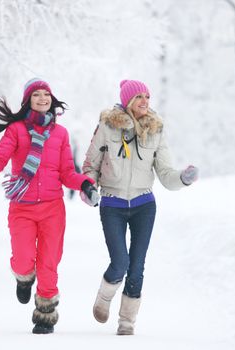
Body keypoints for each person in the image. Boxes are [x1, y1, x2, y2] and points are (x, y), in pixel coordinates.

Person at [0, 78, 97, 334]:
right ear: (28, 100)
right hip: (22, 207)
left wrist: (84, 184)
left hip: (52, 208)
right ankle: (24, 278)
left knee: (49, 262)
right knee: (23, 260)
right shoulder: (16, 129)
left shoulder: (60, 133)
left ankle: (45, 315)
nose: (42, 98)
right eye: (36, 94)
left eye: (46, 94)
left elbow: (66, 172)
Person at [81, 79, 198, 335]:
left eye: (147, 96)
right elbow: (90, 165)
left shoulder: (155, 130)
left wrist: (182, 178)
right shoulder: (107, 125)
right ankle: (104, 296)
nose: (145, 102)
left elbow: (165, 172)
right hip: (112, 203)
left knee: (137, 265)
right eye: (139, 97)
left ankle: (127, 321)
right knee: (120, 262)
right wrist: (88, 188)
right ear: (127, 101)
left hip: (144, 204)